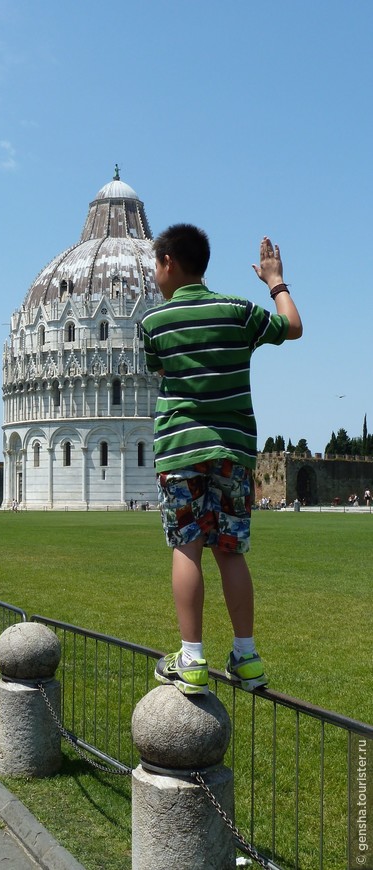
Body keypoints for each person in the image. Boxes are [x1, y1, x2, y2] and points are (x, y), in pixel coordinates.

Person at [142, 226, 302, 695]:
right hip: (233, 451)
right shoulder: (237, 312)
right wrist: (276, 282)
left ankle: (191, 660)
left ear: (169, 262)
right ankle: (247, 658)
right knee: (230, 550)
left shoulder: (155, 323)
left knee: (186, 546)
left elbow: (163, 370)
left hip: (181, 450)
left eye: (156, 265)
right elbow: (292, 326)